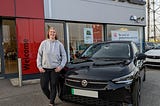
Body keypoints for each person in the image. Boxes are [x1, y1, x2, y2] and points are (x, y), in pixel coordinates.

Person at [36, 27, 67, 106]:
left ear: (55, 34)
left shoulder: (59, 44)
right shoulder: (43, 43)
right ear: (48, 33)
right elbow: (39, 56)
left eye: (54, 32)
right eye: (51, 32)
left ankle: (51, 102)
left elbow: (64, 56)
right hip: (44, 69)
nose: (52, 33)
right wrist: (39, 66)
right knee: (43, 86)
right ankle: (51, 96)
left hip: (55, 69)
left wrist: (60, 67)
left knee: (53, 85)